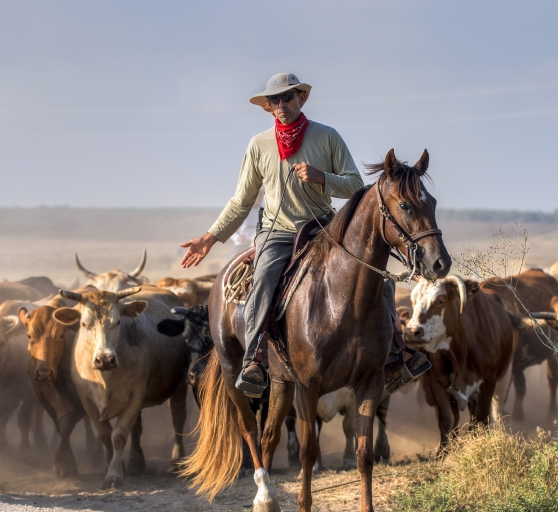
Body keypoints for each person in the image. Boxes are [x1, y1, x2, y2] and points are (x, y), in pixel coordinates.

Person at [181, 72, 428, 396]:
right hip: (277, 233)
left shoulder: (327, 137)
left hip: (324, 228)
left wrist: (322, 177)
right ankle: (254, 360)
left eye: (287, 97)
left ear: (301, 99)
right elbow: (241, 201)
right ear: (268, 107)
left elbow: (356, 184)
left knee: (377, 278)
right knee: (265, 279)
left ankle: (396, 356)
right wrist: (209, 238)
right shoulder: (259, 146)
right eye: (274, 100)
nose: (281, 104)